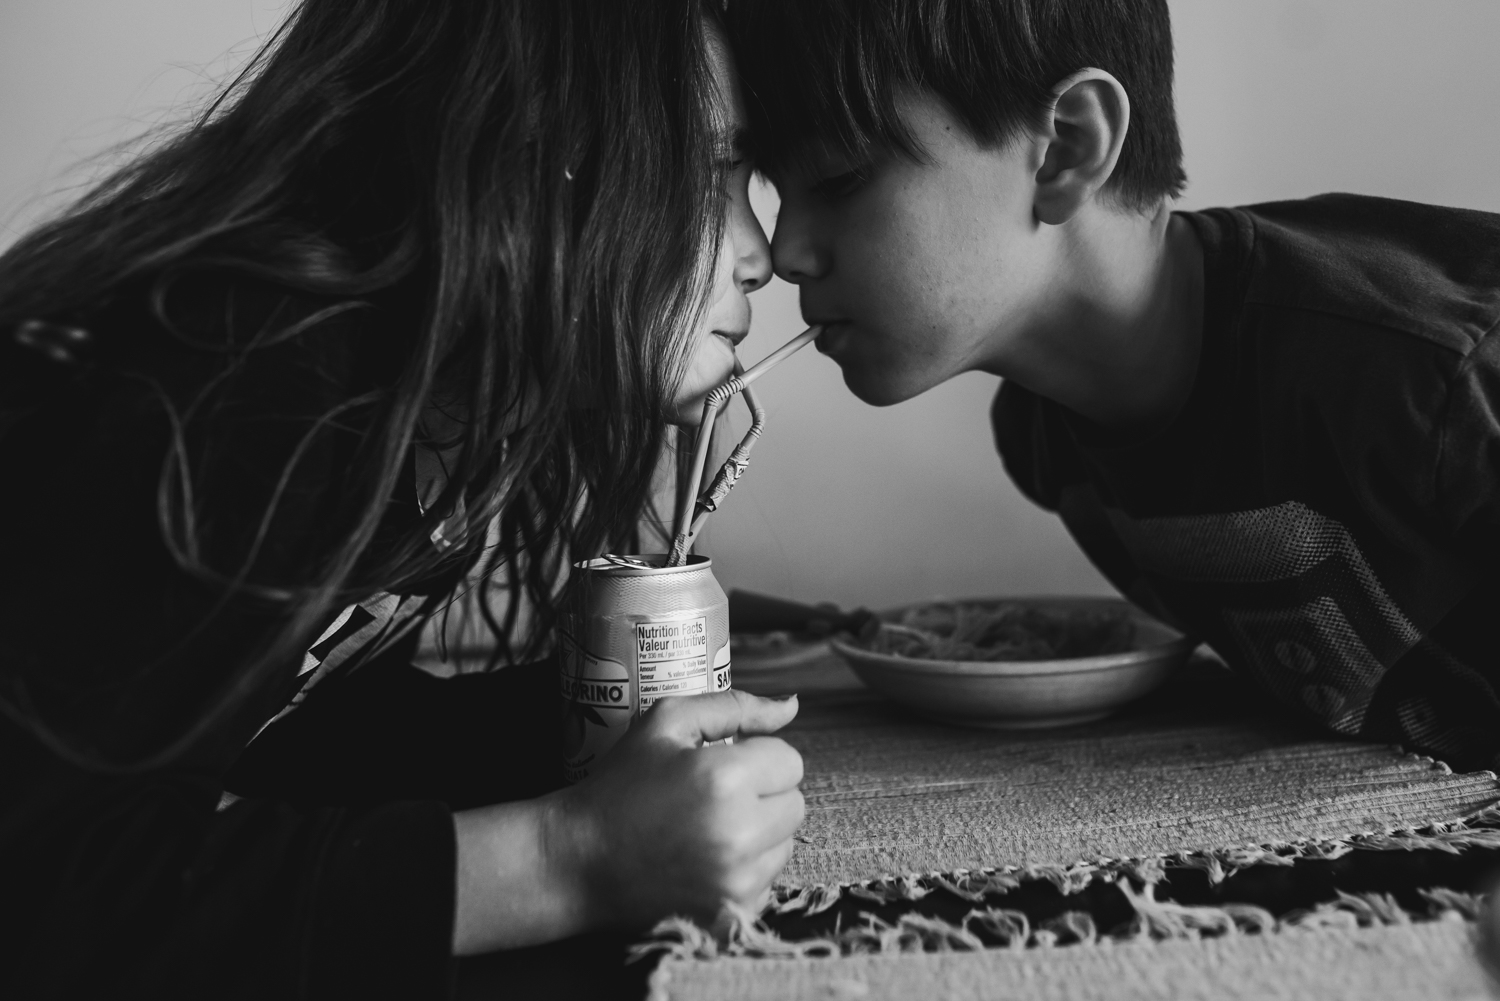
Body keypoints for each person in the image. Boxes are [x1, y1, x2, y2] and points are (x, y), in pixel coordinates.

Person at [0, 1, 805, 997]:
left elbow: (280, 738)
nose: (759, 252)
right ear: (533, 160)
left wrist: (576, 721)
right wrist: (570, 858)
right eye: (711, 172)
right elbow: (39, 890)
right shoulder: (236, 394)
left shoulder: (419, 419)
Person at [727, 0, 1500, 770]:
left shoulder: (1424, 377)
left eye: (839, 178)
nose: (782, 250)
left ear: (1065, 149)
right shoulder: (1044, 442)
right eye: (776, 193)